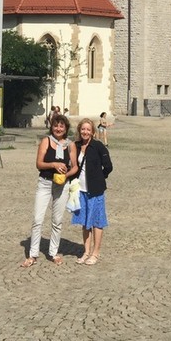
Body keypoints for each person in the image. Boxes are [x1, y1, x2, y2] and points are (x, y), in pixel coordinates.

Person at [20, 114, 77, 267]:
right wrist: (53, 164)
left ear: (65, 129)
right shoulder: (46, 141)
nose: (58, 129)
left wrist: (66, 175)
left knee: (57, 221)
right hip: (45, 183)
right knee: (37, 219)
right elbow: (39, 164)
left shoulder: (70, 145)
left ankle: (53, 252)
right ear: (52, 127)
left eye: (61, 126)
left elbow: (75, 167)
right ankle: (33, 254)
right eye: (56, 126)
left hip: (61, 185)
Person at [72, 118, 113, 265]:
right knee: (84, 222)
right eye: (83, 129)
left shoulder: (98, 146)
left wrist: (100, 177)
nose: (85, 132)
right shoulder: (76, 146)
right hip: (81, 190)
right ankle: (86, 251)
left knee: (97, 221)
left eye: (88, 129)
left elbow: (108, 166)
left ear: (92, 132)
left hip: (95, 190)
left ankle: (95, 253)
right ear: (79, 130)